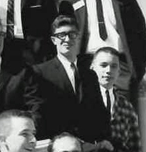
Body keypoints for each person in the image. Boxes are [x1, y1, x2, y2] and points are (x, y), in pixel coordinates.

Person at [59, 0, 146, 101]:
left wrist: (135, 70)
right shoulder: (70, 4)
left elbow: (142, 38)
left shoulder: (126, 1)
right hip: (87, 66)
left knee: (120, 116)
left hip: (119, 67)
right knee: (90, 118)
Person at [30, 15, 109, 143]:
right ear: (53, 40)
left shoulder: (90, 76)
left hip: (88, 146)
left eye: (72, 34)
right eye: (61, 35)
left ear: (78, 38)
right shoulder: (40, 73)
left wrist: (104, 140)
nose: (67, 39)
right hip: (57, 145)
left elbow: (99, 113)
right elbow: (38, 112)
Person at [91, 47, 141, 152]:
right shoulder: (81, 98)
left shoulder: (126, 107)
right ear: (92, 68)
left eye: (113, 66)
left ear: (118, 72)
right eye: (103, 65)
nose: (108, 70)